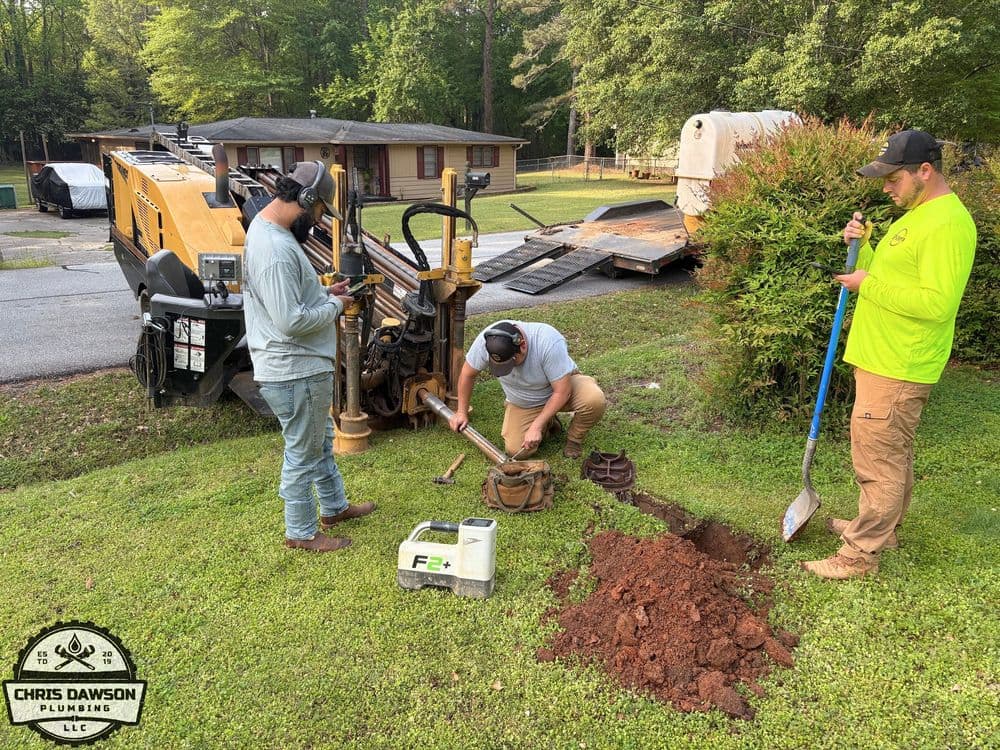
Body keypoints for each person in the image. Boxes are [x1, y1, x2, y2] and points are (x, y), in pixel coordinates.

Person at [802, 130, 977, 579]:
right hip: (883, 358)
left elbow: (937, 303)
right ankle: (885, 528)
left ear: (925, 170)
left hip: (900, 364)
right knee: (891, 453)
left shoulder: (947, 223)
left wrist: (867, 285)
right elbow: (895, 273)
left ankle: (859, 555)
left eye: (893, 178)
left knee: (878, 461)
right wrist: (866, 246)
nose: (886, 187)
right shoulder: (917, 216)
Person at [243, 161, 375, 553]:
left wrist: (326, 295)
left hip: (298, 368)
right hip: (294, 369)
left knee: (319, 442)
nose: (317, 222)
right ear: (304, 198)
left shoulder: (270, 232)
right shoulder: (276, 249)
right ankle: (300, 532)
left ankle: (333, 507)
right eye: (318, 212)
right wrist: (336, 309)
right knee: (302, 452)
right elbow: (289, 321)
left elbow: (290, 301)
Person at [448, 320, 606, 459]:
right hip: (524, 402)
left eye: (510, 363)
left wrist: (536, 426)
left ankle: (574, 439)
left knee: (593, 400)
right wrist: (461, 412)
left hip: (559, 389)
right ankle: (549, 422)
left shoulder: (548, 341)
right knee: (516, 450)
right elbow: (467, 375)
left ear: (522, 345)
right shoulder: (487, 342)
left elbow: (562, 392)